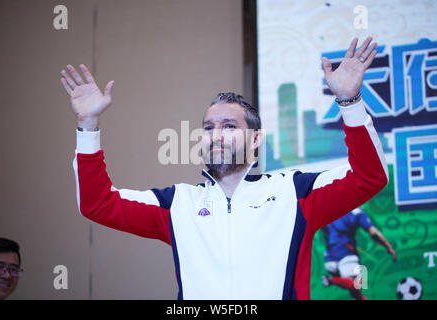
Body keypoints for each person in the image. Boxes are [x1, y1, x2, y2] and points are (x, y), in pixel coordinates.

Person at [60, 37, 388, 299]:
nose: (216, 135)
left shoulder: (295, 193)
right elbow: (97, 204)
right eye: (208, 128)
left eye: (229, 126)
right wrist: (88, 125)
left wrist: (349, 101)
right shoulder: (177, 204)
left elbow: (368, 177)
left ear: (256, 137)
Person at [321, 208, 397, 300]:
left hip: (329, 260)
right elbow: (374, 233)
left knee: (356, 295)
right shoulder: (357, 212)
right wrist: (388, 246)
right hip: (347, 255)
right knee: (357, 284)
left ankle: (337, 281)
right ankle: (330, 280)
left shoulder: (328, 210)